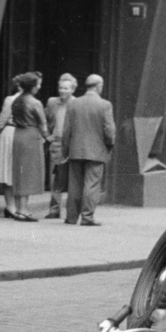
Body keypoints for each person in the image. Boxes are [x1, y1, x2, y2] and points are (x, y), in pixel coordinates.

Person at [62, 74, 116, 226]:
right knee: (91, 185)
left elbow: (66, 130)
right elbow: (109, 130)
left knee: (75, 185)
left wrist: (65, 150)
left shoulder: (73, 104)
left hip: (76, 150)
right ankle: (87, 217)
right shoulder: (105, 105)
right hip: (96, 151)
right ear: (99, 86)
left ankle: (71, 217)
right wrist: (109, 145)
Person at [0, 72, 49, 221]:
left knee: (17, 173)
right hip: (30, 135)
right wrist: (48, 137)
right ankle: (22, 210)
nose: (39, 87)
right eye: (37, 84)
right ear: (32, 86)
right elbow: (42, 123)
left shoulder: (16, 100)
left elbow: (3, 120)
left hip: (17, 135)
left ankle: (18, 209)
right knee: (28, 174)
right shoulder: (35, 102)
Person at [44, 73, 78, 219]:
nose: (62, 91)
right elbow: (43, 120)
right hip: (56, 144)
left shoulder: (77, 103)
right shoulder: (52, 102)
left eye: (66, 88)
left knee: (73, 178)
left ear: (72, 90)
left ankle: (72, 210)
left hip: (72, 145)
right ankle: (54, 209)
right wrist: (47, 136)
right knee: (55, 178)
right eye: (60, 88)